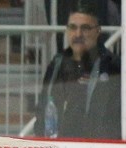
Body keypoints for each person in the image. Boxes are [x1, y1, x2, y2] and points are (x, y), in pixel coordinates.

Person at [34, 1, 121, 139]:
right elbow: (42, 113)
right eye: (73, 27)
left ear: (97, 31)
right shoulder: (56, 66)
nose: (78, 34)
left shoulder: (113, 68)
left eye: (85, 28)